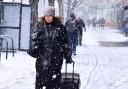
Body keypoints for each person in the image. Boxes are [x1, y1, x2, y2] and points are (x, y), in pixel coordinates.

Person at [27, 6, 73, 89]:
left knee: (53, 82)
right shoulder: (39, 26)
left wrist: (68, 56)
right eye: (46, 16)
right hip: (42, 59)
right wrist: (34, 47)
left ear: (53, 16)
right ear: (44, 16)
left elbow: (65, 43)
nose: (48, 18)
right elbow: (34, 39)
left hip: (56, 59)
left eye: (50, 15)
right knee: (40, 82)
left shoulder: (60, 27)